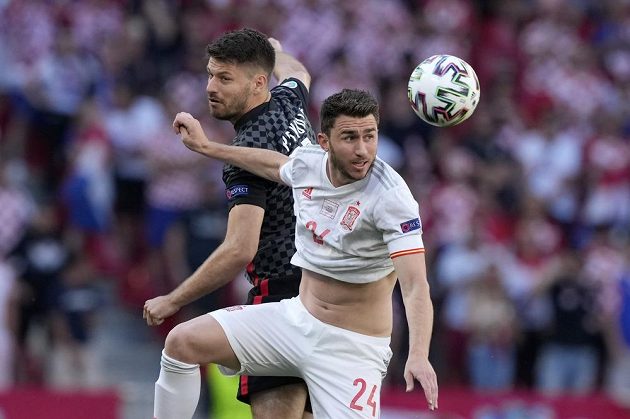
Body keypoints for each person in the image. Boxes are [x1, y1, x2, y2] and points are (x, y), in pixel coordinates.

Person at [145, 88, 438, 418]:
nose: (362, 150)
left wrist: (418, 354)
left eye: (370, 137)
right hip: (295, 321)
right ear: (323, 142)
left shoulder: (393, 198)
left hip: (350, 350)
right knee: (181, 343)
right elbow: (275, 165)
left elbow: (415, 287)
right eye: (350, 137)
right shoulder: (311, 164)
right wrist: (207, 147)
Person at [143, 28, 316, 418]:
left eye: (224, 78)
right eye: (209, 75)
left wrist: (173, 299)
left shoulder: (245, 155)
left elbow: (240, 249)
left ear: (257, 82)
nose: (210, 87)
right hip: (322, 294)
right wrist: (277, 52)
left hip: (280, 298)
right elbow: (300, 73)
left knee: (180, 345)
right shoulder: (289, 101)